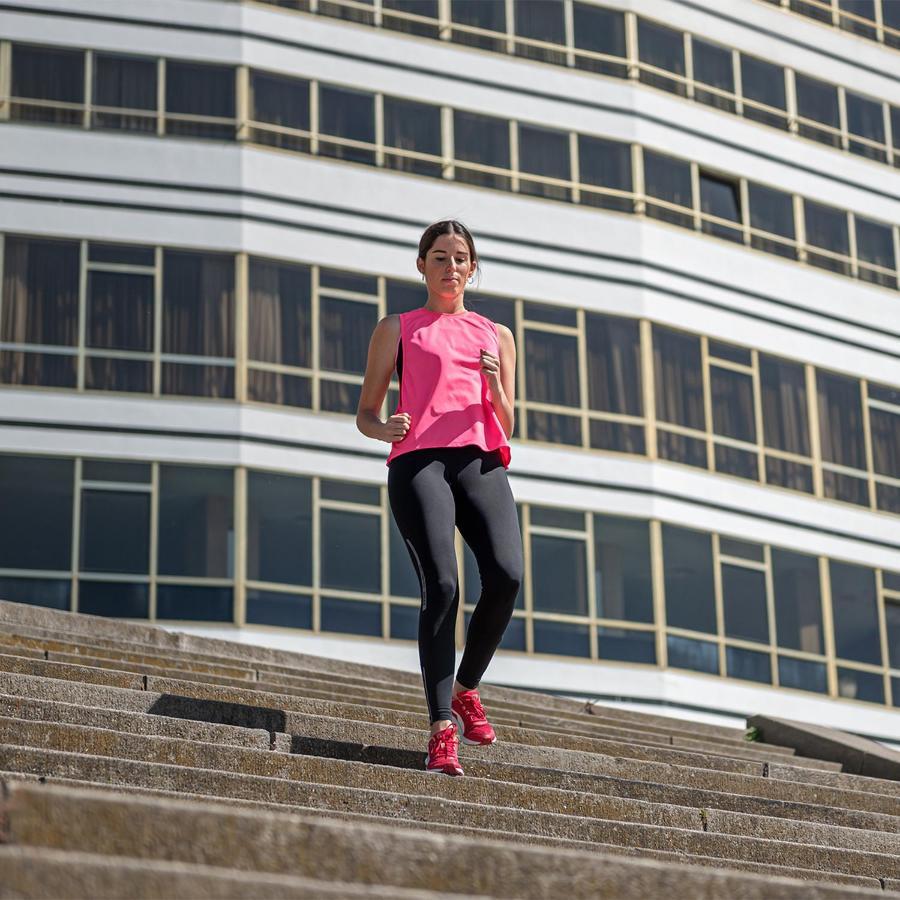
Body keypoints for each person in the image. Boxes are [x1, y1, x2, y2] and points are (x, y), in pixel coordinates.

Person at [356, 220, 524, 776]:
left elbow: (508, 417)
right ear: (421, 265)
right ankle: (440, 729)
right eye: (438, 257)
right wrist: (386, 430)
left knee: (506, 575)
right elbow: (365, 413)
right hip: (419, 462)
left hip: (479, 459)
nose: (450, 267)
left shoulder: (496, 334)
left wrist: (496, 385)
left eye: (460, 258)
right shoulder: (397, 328)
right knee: (444, 584)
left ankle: (466, 687)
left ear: (472, 268)